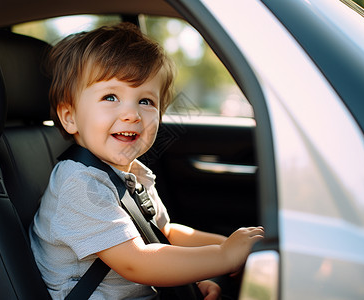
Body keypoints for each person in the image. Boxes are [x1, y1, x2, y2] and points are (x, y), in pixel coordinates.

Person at [29, 23, 264, 300]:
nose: (131, 114)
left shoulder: (132, 174)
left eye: (146, 101)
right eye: (110, 96)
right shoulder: (78, 185)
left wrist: (225, 250)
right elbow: (136, 261)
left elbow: (165, 233)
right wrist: (224, 256)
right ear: (70, 117)